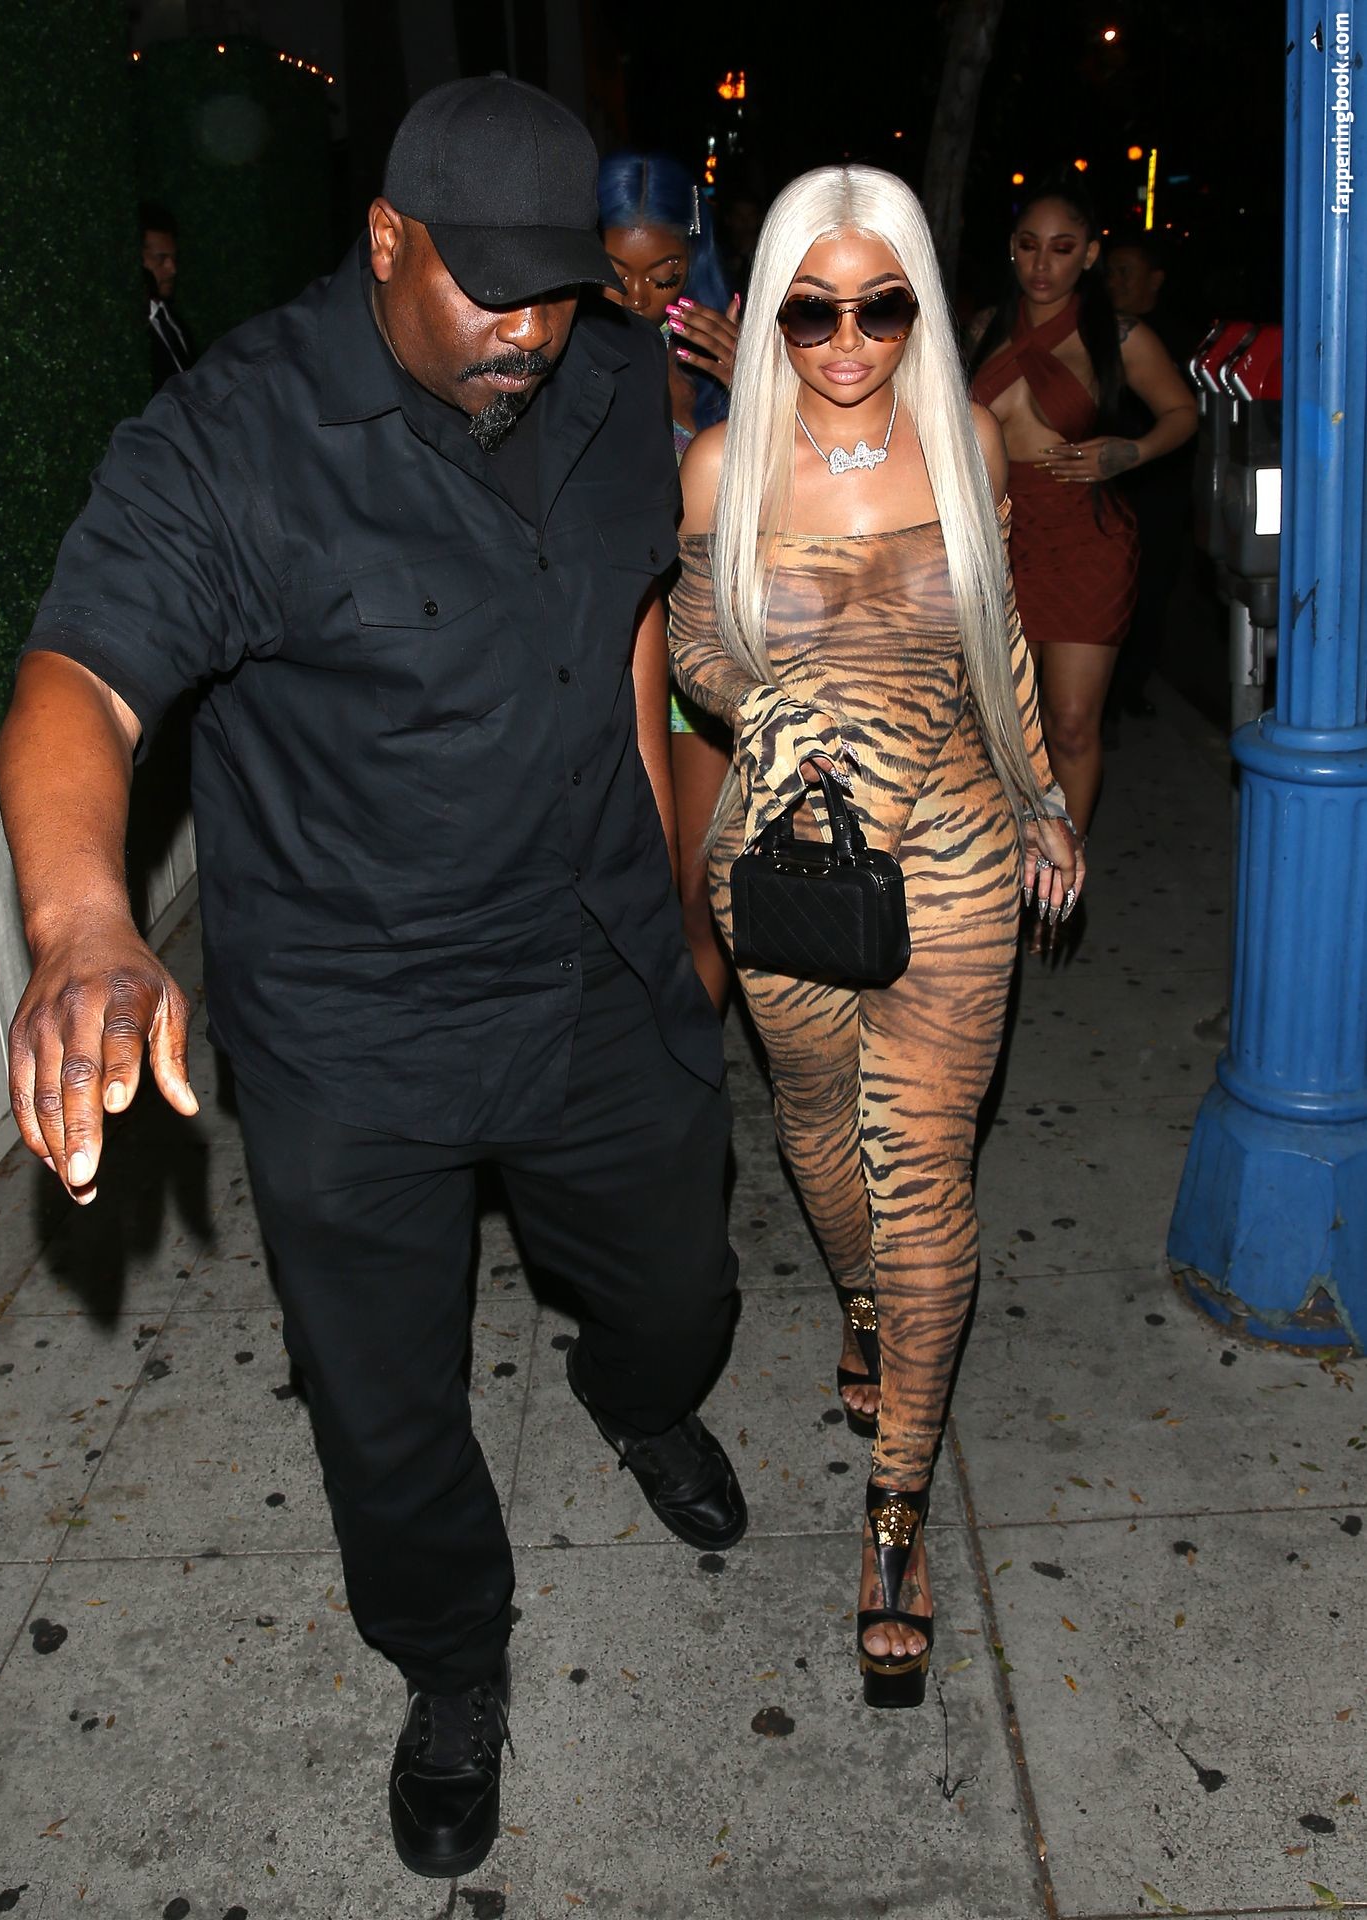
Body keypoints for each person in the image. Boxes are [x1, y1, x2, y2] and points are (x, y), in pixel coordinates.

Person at [0, 77, 746, 1881]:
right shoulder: (231, 438)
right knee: (384, 1399)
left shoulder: (607, 379)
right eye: (487, 287)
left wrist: (678, 885)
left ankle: (634, 1395)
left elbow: (625, 630)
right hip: (356, 1016)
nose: (528, 329)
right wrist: (83, 926)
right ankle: (450, 1661)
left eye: (557, 286)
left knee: (680, 1296)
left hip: (592, 965)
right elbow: (79, 684)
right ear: (386, 241)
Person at [668, 165, 1082, 1709]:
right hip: (784, 852)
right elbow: (694, 638)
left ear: (917, 303)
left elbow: (996, 633)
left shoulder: (962, 437)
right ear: (772, 309)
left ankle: (894, 1507)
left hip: (953, 842)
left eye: (879, 307)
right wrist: (776, 696)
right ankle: (855, 1295)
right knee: (813, 1120)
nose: (846, 342)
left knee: (922, 1164)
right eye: (811, 311)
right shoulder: (725, 460)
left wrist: (1040, 795)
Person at [968, 178, 1195, 840]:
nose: (1042, 264)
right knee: (1000, 729)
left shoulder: (1118, 335)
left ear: (1090, 254)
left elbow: (1182, 413)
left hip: (1085, 538)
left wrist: (1129, 451)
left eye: (1062, 248)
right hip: (997, 536)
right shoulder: (983, 328)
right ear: (1011, 248)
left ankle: (1060, 872)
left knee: (1069, 725)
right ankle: (1000, 867)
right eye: (1028, 245)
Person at [597, 151, 741, 1011]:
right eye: (617, 273)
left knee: (699, 894)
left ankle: (691, 1074)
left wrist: (751, 388)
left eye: (666, 276)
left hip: (705, 652)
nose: (641, 298)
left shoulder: (727, 354)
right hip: (605, 655)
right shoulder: (549, 349)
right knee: (627, 895)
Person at [1104, 236, 1198, 718]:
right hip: (1104, 488)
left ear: (1155, 279)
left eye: (1126, 271)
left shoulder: (1177, 338)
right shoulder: (1098, 332)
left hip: (1158, 487)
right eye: (1111, 271)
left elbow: (1188, 416)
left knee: (1151, 589)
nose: (1115, 281)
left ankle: (1130, 687)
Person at [140, 202, 194, 392]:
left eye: (173, 258)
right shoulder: (132, 328)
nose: (172, 269)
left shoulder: (174, 323)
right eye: (160, 258)